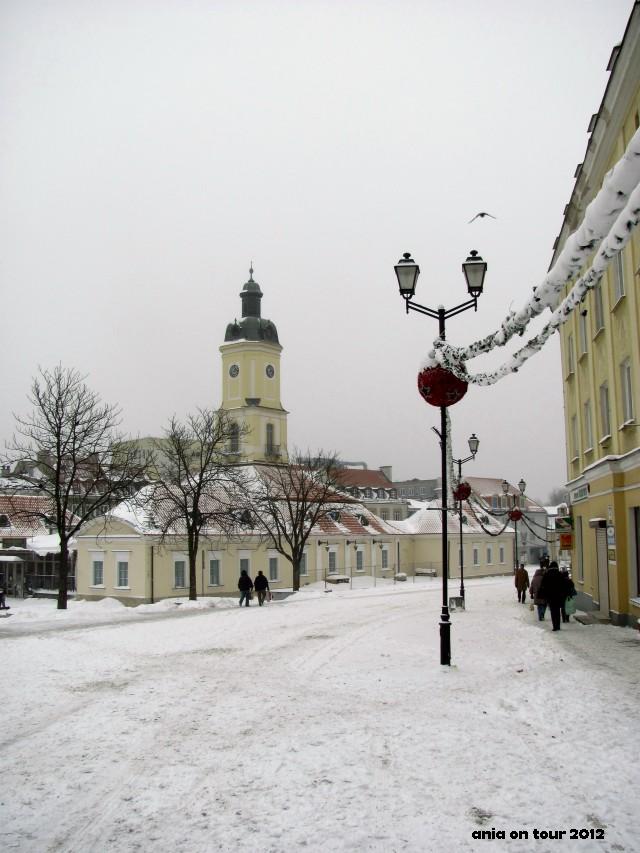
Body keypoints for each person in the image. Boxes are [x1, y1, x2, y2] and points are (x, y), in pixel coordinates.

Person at [539, 560, 569, 631]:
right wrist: (564, 594)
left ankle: (554, 626)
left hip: (550, 596)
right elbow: (564, 585)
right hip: (559, 596)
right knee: (557, 610)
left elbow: (543, 585)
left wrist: (544, 595)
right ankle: (558, 625)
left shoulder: (546, 575)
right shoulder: (560, 574)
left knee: (553, 611)